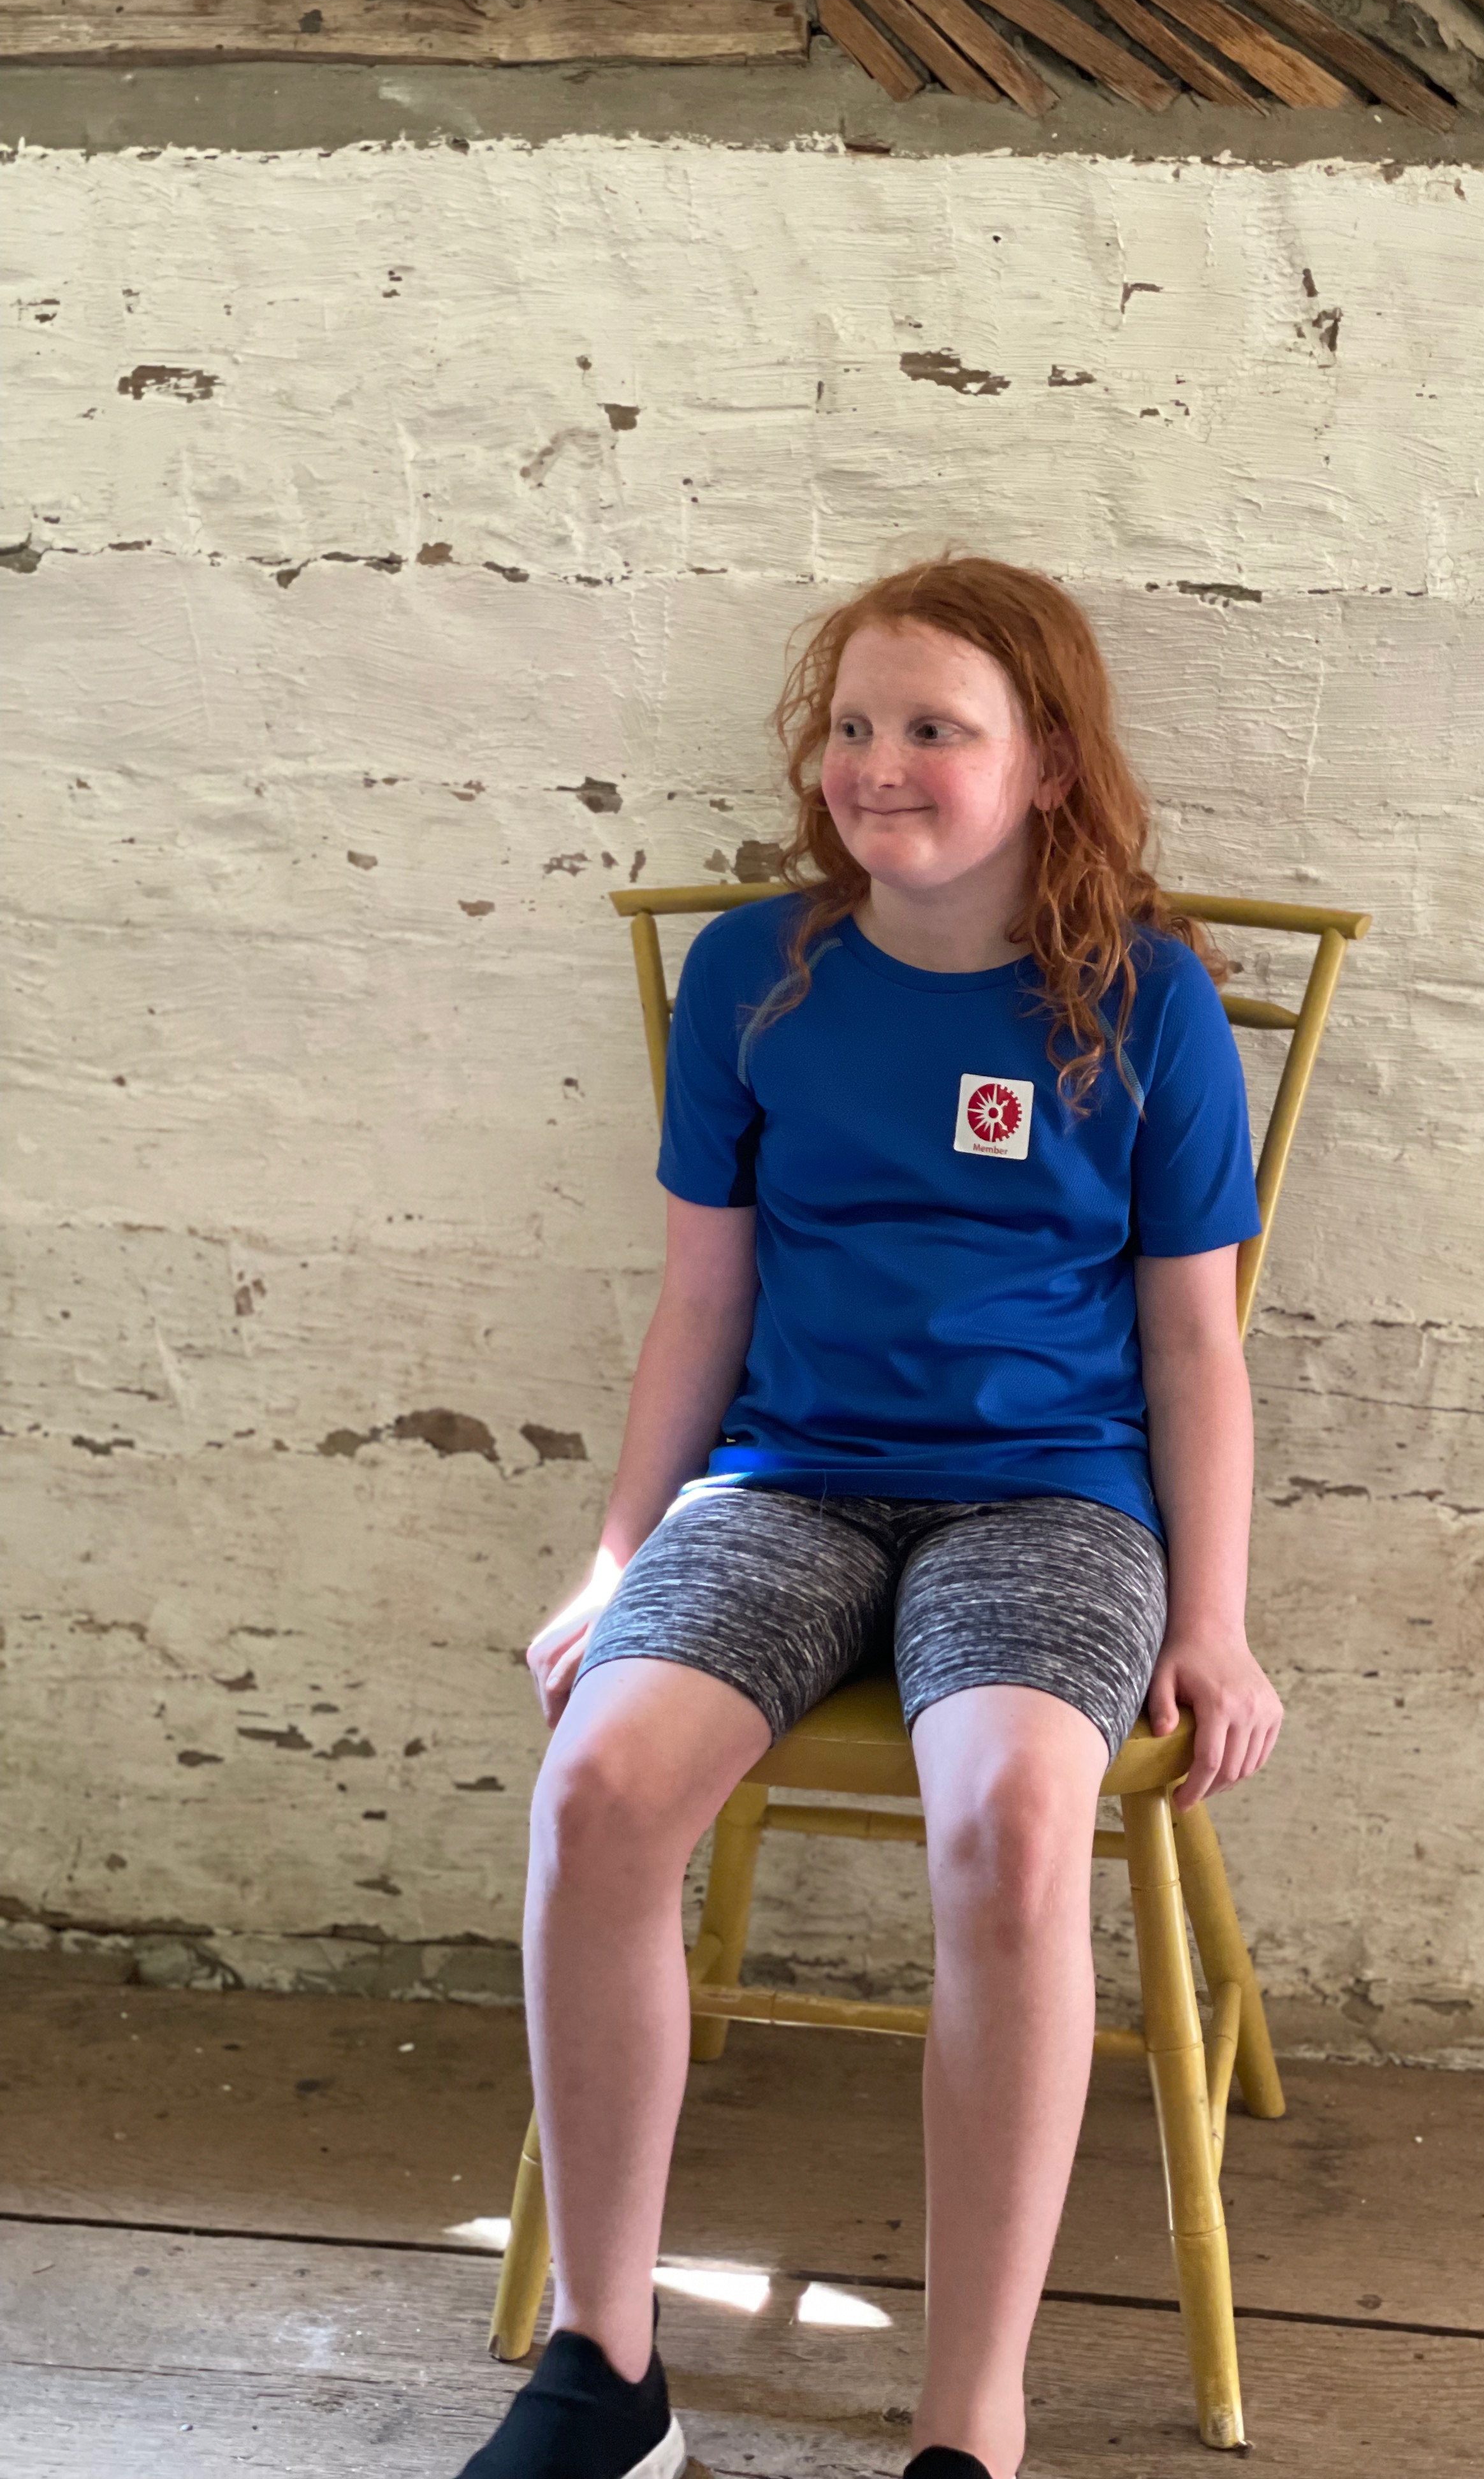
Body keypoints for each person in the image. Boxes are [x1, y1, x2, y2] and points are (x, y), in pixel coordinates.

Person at [460, 552, 1284, 2479]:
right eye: (852, 725)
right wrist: (616, 1561)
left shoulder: (1143, 1000)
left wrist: (1218, 1617)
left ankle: (969, 2426)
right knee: (598, 1786)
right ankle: (604, 2368)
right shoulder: (759, 975)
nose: (879, 765)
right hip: (792, 1481)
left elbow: (1195, 1342)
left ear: (1049, 763)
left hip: (1047, 1503)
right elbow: (703, 1303)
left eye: (936, 729)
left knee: (1010, 1827)